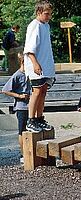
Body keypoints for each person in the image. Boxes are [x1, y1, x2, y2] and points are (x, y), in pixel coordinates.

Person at [24, 0, 55, 133]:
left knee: (43, 91)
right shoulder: (34, 25)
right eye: (46, 14)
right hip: (36, 65)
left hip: (45, 65)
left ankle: (39, 118)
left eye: (50, 14)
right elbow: (29, 48)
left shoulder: (46, 26)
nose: (49, 17)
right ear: (39, 12)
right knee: (36, 92)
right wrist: (35, 63)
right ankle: (30, 120)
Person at [1, 52, 30, 163]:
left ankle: (30, 152)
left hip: (31, 106)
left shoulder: (30, 74)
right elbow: (5, 90)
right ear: (23, 62)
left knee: (30, 130)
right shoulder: (17, 75)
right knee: (22, 131)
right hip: (21, 107)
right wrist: (19, 96)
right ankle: (23, 154)